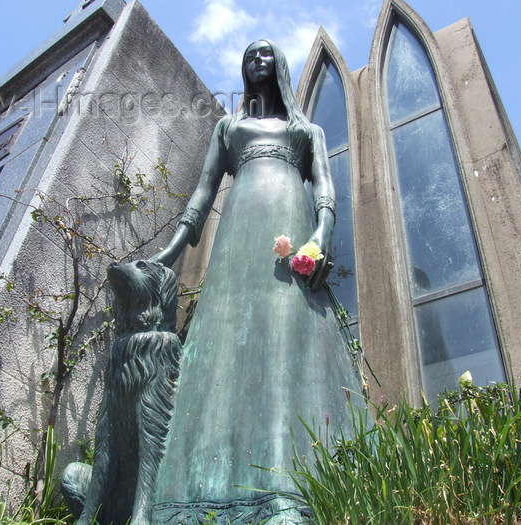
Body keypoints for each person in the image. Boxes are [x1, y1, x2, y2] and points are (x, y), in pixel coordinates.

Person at [150, 40, 366, 523]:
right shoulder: (229, 128)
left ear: (281, 65)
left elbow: (326, 190)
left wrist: (320, 238)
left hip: (289, 229)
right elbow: (203, 194)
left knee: (285, 344)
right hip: (238, 238)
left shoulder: (306, 130)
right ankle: (201, 492)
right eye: (249, 54)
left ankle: (288, 488)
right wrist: (168, 253)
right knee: (225, 345)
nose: (257, 60)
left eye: (266, 53)